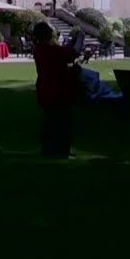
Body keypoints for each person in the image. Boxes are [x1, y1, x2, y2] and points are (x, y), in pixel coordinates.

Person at [32, 21, 82, 158]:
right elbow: (73, 52)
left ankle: (49, 149)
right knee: (63, 122)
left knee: (50, 122)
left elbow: (63, 52)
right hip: (59, 90)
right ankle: (62, 151)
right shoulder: (51, 50)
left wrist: (72, 40)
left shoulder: (39, 50)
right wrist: (79, 39)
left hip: (45, 89)